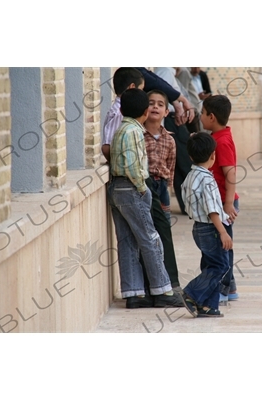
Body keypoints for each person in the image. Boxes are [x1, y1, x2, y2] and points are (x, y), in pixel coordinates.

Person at [107, 88, 183, 309]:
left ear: (122, 109)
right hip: (131, 189)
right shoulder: (134, 132)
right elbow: (133, 165)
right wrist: (142, 188)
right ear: (144, 111)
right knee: (151, 238)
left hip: (117, 188)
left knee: (127, 241)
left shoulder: (122, 128)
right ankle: (163, 291)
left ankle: (135, 293)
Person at [180, 132, 233, 318]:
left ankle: (208, 306)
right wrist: (223, 232)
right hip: (210, 229)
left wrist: (225, 216)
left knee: (210, 266)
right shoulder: (207, 179)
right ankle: (192, 293)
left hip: (198, 227)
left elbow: (192, 205)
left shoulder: (190, 177)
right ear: (213, 155)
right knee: (220, 266)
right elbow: (211, 210)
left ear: (191, 156)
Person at [200, 95, 239, 302]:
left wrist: (228, 203)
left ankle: (223, 289)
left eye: (202, 113)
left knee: (221, 247)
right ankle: (229, 286)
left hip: (223, 203)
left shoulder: (221, 141)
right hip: (220, 202)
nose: (200, 117)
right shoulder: (217, 137)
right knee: (222, 246)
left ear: (212, 117)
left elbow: (230, 173)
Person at [154, 67, 195, 215]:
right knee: (185, 162)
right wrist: (178, 107)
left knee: (181, 164)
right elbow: (164, 97)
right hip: (171, 120)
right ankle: (191, 205)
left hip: (173, 119)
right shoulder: (165, 70)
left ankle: (188, 205)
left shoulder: (170, 72)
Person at [144, 90, 176, 223]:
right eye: (151, 103)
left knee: (164, 222)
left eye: (160, 104)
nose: (155, 106)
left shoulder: (169, 140)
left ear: (166, 112)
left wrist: (169, 185)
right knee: (146, 220)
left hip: (162, 186)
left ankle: (163, 244)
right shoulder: (138, 134)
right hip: (144, 184)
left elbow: (171, 165)